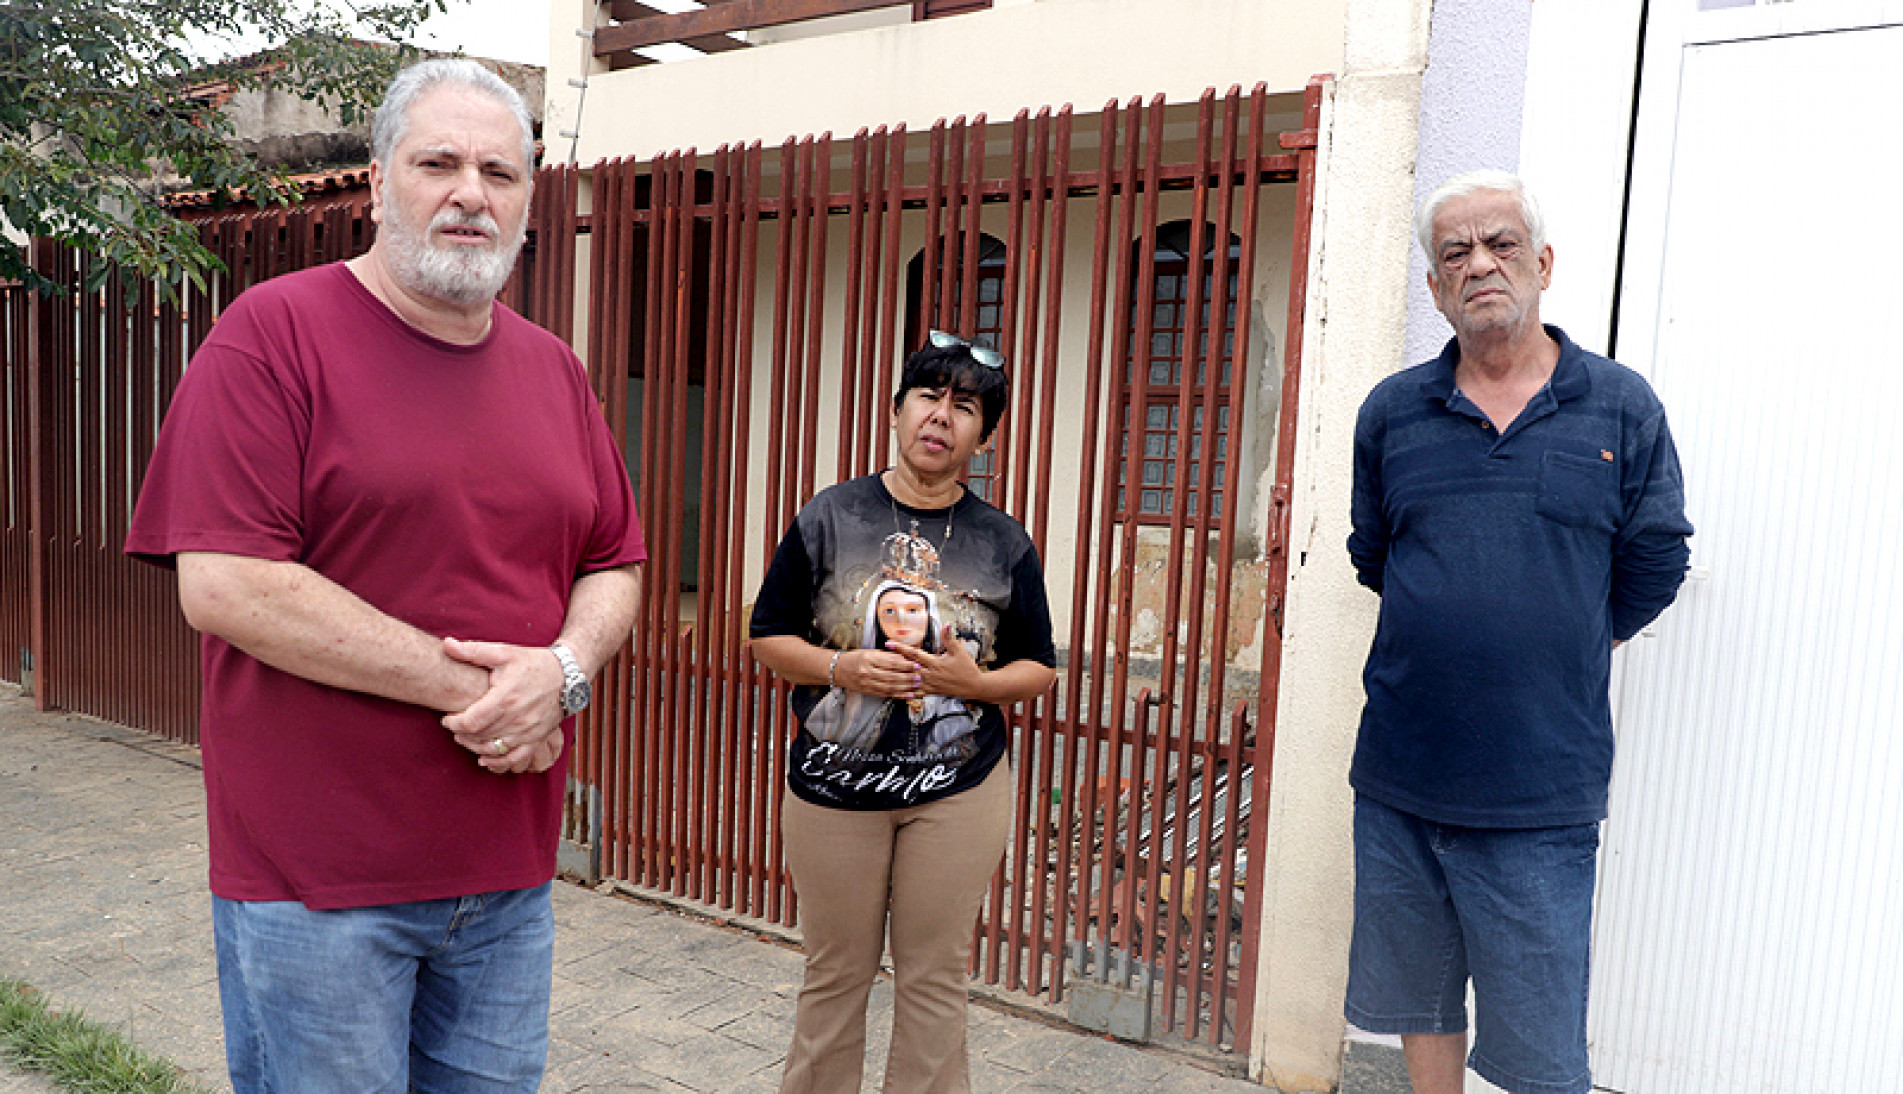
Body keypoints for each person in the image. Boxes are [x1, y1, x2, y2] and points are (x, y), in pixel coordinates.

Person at [124, 59, 646, 1093]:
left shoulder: (553, 369)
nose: (470, 194)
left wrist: (563, 673)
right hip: (317, 888)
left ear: (527, 200)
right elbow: (226, 581)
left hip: (506, 883)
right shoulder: (272, 336)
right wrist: (492, 695)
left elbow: (615, 561)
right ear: (375, 181)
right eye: (438, 163)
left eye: (499, 172)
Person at [1344, 170, 1692, 1094]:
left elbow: (1656, 558)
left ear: (1541, 262)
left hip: (1540, 787)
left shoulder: (1619, 405)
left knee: (1542, 1044)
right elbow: (1373, 553)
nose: (1479, 264)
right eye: (1454, 253)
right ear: (1434, 288)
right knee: (1419, 997)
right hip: (1401, 775)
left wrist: (1571, 636)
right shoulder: (1391, 413)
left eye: (1500, 243)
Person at [749, 331, 1058, 1094]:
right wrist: (841, 667)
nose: (940, 416)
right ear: (896, 411)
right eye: (927, 396)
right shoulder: (831, 515)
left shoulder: (1002, 542)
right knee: (834, 975)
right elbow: (766, 636)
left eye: (965, 408)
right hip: (833, 787)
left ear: (984, 437)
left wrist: (973, 682)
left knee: (934, 979)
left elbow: (1038, 667)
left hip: (957, 791)